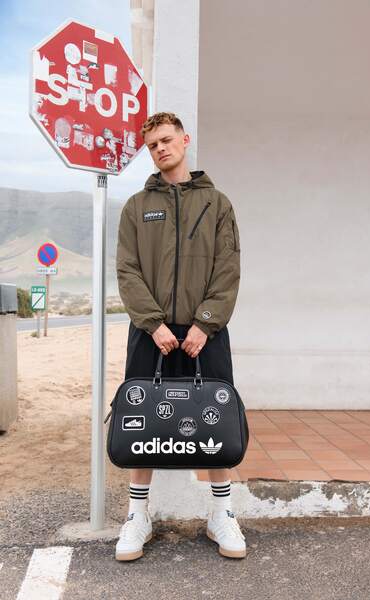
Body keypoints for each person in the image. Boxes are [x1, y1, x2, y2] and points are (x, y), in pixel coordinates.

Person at [115, 111, 245, 561]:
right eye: (153, 145)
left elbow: (228, 268)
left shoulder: (217, 203)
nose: (161, 149)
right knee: (141, 422)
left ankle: (222, 515)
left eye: (167, 140)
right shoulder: (136, 206)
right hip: (149, 333)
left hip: (205, 334)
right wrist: (152, 323)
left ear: (184, 140)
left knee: (215, 420)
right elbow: (127, 269)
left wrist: (205, 324)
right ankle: (137, 517)